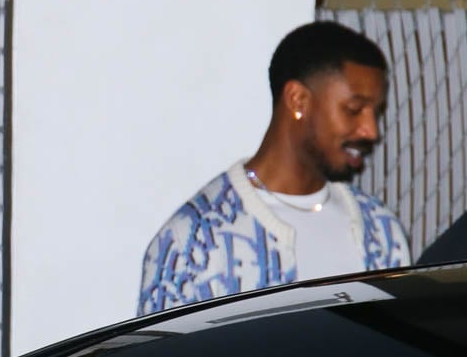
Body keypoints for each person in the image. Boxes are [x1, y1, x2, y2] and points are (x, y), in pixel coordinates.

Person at [138, 21, 410, 314]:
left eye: (376, 113)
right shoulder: (196, 239)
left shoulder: (381, 231)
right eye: (354, 110)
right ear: (298, 100)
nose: (371, 131)